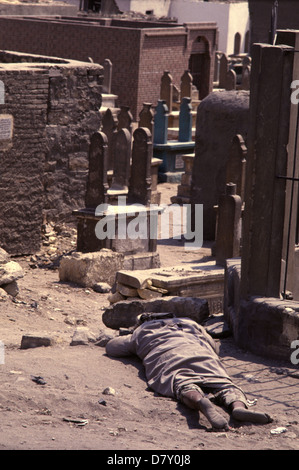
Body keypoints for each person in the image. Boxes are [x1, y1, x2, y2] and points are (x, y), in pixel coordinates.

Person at [105, 313, 272, 430]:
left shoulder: (143, 331)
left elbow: (112, 347)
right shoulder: (190, 323)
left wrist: (133, 338)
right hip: (201, 354)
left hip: (169, 358)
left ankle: (200, 401)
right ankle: (237, 407)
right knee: (225, 385)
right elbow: (213, 346)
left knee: (183, 384)